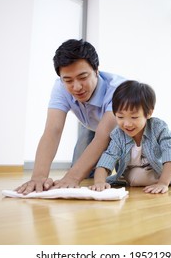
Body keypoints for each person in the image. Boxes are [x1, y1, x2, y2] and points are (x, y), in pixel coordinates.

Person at [16, 39, 127, 194]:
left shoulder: (118, 89)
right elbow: (52, 131)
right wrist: (38, 177)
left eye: (83, 77)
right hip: (90, 126)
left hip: (123, 130)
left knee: (128, 174)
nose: (76, 87)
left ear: (96, 70)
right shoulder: (60, 87)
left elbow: (103, 136)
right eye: (68, 80)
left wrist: (72, 177)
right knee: (84, 171)